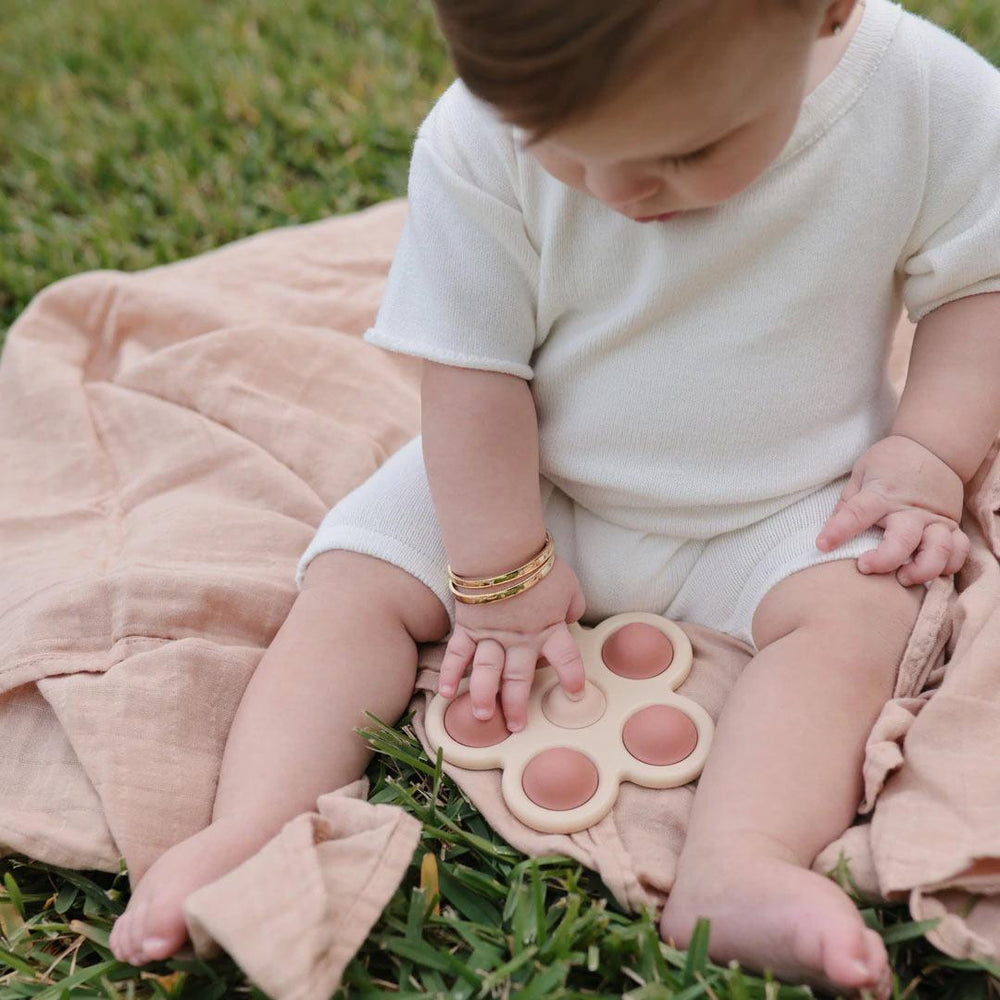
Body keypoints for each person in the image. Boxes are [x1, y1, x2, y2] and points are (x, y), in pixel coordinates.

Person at [110, 0, 1000, 993]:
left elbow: (978, 284)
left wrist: (927, 448)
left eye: (687, 149)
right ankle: (254, 822)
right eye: (562, 151)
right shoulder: (477, 137)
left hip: (789, 495)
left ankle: (739, 862)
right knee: (356, 580)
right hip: (528, 479)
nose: (614, 187)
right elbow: (470, 372)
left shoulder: (923, 95)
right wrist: (496, 570)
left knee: (859, 616)